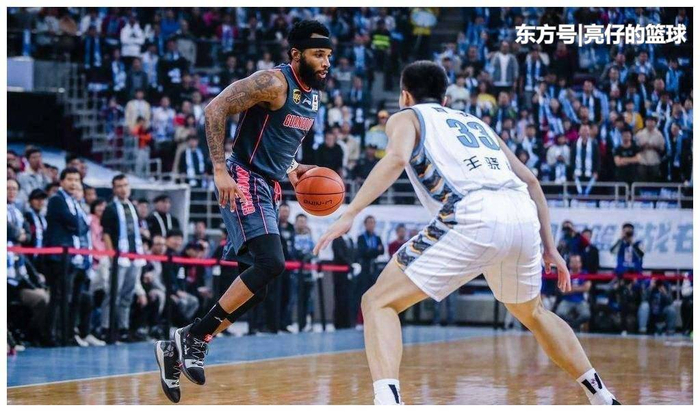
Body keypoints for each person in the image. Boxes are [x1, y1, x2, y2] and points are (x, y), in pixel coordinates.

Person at [314, 61, 619, 405]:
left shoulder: (407, 117)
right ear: (445, 99)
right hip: (522, 213)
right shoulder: (477, 123)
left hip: (472, 214)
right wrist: (551, 248)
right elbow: (532, 180)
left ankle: (388, 402)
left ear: (404, 96)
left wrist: (351, 212)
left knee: (377, 302)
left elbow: (396, 158)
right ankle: (602, 397)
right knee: (533, 312)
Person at [155, 20, 332, 403]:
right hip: (243, 177)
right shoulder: (272, 82)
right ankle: (194, 339)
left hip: (270, 185)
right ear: (296, 54)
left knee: (258, 289)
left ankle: (182, 343)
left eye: (329, 56)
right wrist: (219, 169)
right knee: (271, 262)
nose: (325, 62)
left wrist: (293, 169)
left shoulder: (313, 95)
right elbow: (215, 107)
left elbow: (278, 138)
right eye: (319, 54)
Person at [100, 174, 146, 342]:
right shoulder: (110, 208)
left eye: (125, 185)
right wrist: (111, 255)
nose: (123, 189)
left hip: (135, 255)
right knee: (113, 293)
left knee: (128, 294)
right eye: (119, 186)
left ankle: (123, 328)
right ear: (114, 189)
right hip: (119, 257)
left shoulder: (133, 206)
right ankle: (106, 327)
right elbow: (106, 234)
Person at [43, 167, 87, 345]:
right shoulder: (57, 200)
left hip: (71, 256)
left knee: (67, 297)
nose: (73, 183)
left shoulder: (74, 202)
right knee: (58, 296)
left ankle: (64, 334)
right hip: (58, 256)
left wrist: (78, 223)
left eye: (76, 180)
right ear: (62, 182)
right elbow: (75, 223)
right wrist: (77, 223)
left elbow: (83, 227)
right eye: (70, 179)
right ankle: (50, 335)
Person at [555, 255, 592, 332]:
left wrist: (571, 288)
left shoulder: (585, 273)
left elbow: (587, 288)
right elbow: (562, 290)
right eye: (573, 262)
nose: (575, 264)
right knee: (560, 312)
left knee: (586, 314)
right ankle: (572, 325)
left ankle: (573, 325)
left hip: (580, 300)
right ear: (569, 263)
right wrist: (579, 288)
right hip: (567, 300)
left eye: (577, 262)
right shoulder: (565, 273)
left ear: (580, 263)